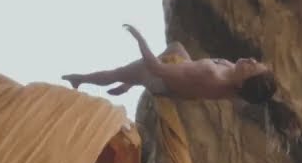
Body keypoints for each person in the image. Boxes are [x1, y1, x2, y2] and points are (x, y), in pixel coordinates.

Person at [63, 24, 278, 103]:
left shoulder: (210, 74)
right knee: (176, 46)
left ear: (242, 84)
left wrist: (139, 38)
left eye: (252, 67)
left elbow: (156, 67)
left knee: (117, 73)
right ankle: (133, 80)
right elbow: (261, 95)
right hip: (185, 78)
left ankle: (79, 80)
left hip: (159, 79)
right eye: (256, 62)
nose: (251, 59)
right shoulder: (236, 86)